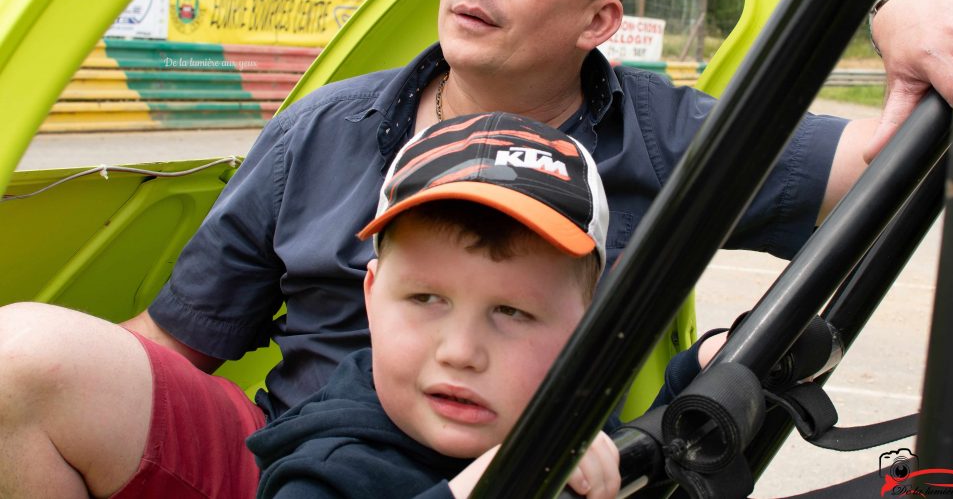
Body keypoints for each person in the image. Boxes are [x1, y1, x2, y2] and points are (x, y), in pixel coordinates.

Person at [0, 0, 953, 498]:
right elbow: (175, 342)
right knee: (20, 358)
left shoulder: (671, 135)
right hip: (303, 463)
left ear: (597, 20)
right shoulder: (324, 126)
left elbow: (894, 170)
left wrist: (903, 8)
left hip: (541, 470)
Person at [247, 111, 723, 498]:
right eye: (426, 298)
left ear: (588, 327)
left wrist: (697, 376)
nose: (460, 352)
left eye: (511, 311)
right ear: (371, 297)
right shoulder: (325, 475)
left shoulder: (555, 411)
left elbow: (622, 466)